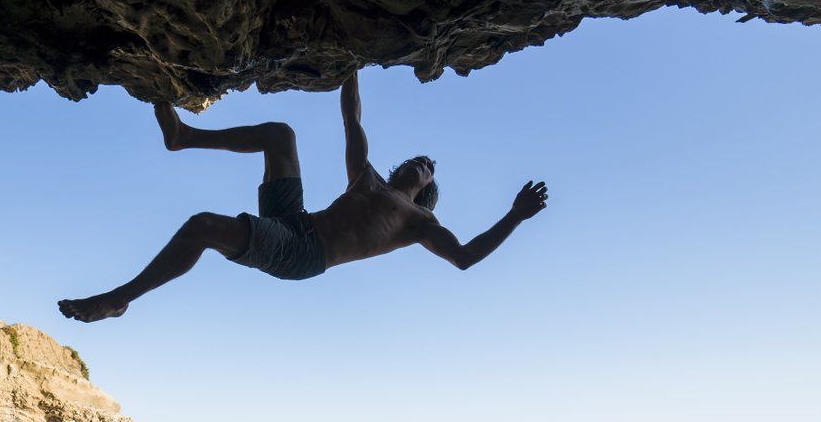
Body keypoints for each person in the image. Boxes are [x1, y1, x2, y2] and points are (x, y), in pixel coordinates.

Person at [58, 71, 548, 322]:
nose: (421, 164)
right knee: (280, 133)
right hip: (293, 218)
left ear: (426, 190)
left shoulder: (418, 222)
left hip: (303, 253)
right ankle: (183, 136)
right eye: (417, 160)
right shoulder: (368, 179)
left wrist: (516, 216)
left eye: (427, 169)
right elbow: (352, 119)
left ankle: (120, 299)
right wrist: (349, 62)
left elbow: (464, 258)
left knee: (203, 226)